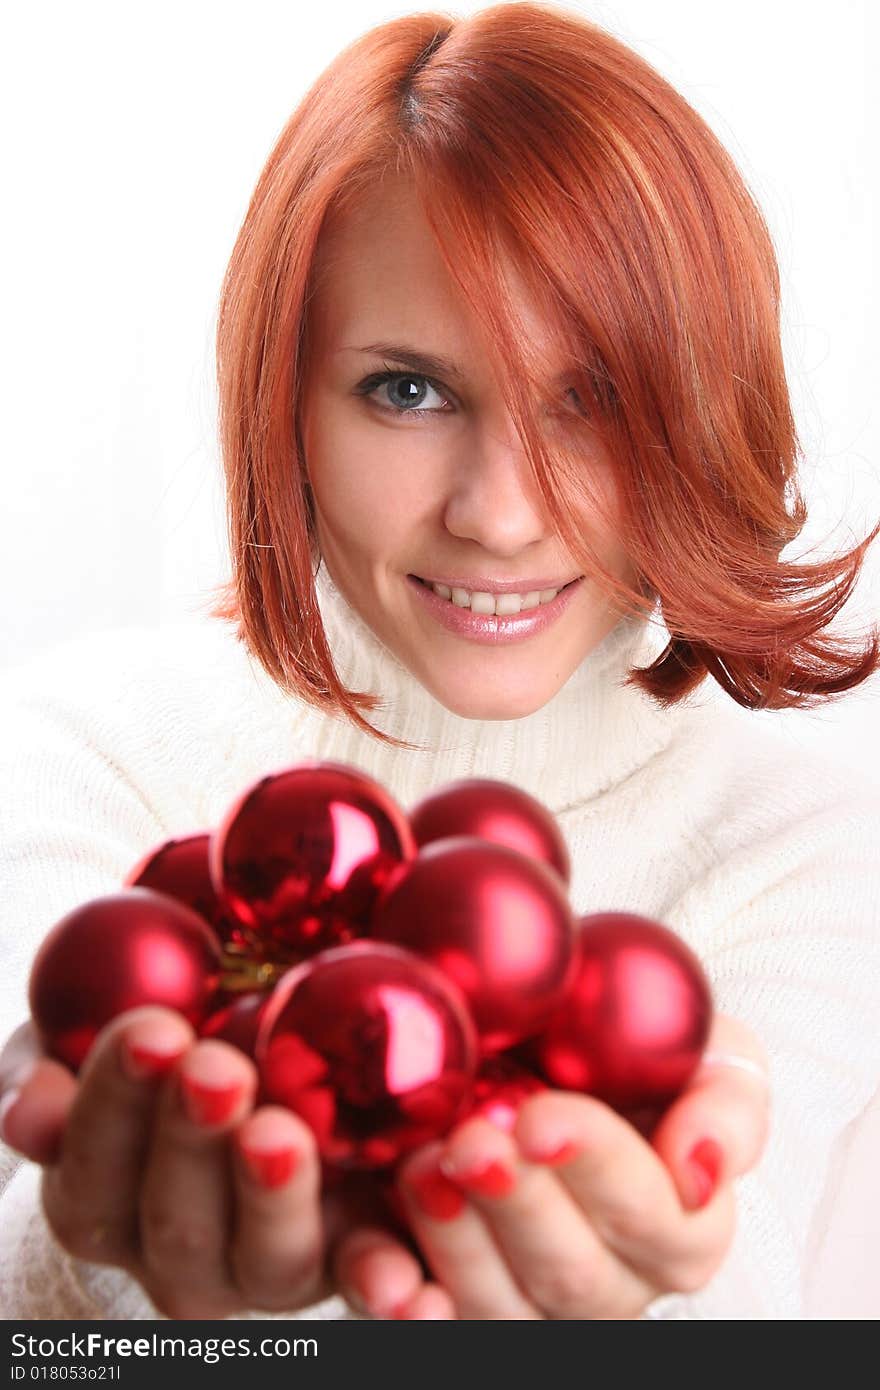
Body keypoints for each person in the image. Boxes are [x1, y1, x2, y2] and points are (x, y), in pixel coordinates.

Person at [1, 0, 878, 1321]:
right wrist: (93, 1274)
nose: (501, 513)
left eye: (593, 399)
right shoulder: (85, 753)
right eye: (409, 389)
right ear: (283, 395)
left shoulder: (813, 851)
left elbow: (753, 1296)